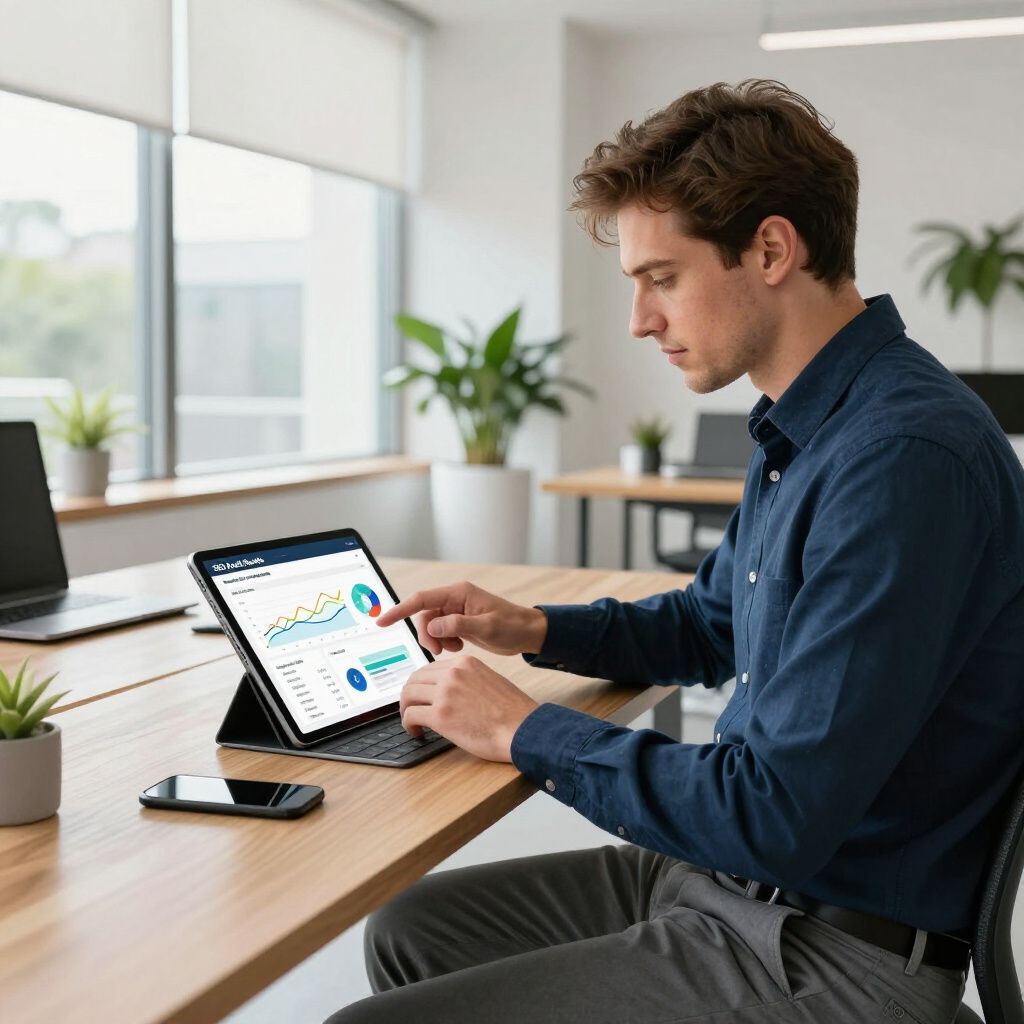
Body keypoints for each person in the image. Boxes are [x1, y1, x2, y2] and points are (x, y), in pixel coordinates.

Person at [326, 79, 1024, 1023]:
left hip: (830, 953)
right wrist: (528, 627)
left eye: (661, 278)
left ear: (772, 249)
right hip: (733, 883)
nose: (639, 320)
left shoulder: (901, 457)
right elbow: (711, 622)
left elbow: (771, 812)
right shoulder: (807, 423)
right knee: (412, 929)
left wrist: (524, 731)